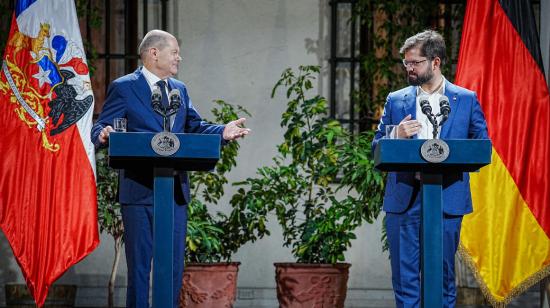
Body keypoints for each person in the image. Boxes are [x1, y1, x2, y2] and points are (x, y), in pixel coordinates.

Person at [91, 29, 250, 308]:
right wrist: (102, 135)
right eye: (174, 52)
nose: (180, 57)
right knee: (140, 269)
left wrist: (222, 132)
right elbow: (100, 126)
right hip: (138, 192)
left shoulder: (180, 89)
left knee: (174, 268)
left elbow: (195, 127)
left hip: (174, 191)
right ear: (154, 53)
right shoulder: (125, 87)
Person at [371, 30, 488, 307]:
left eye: (415, 62)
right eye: (406, 63)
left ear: (435, 62)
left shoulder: (466, 99)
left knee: (443, 276)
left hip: (447, 197)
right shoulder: (396, 99)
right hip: (405, 198)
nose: (409, 68)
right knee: (405, 278)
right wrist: (395, 135)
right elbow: (376, 147)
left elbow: (481, 145)